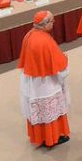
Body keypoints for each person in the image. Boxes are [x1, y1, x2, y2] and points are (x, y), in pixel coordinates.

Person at [18, 11, 71, 148]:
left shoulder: (29, 35)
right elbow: (60, 64)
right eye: (52, 21)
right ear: (45, 24)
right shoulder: (45, 41)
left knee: (39, 111)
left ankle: (40, 137)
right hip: (46, 83)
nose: (53, 23)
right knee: (49, 110)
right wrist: (65, 60)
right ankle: (52, 138)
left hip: (32, 81)